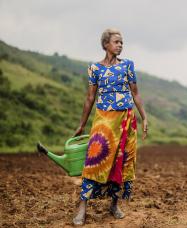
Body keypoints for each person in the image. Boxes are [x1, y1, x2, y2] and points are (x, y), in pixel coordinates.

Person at [72, 28, 148, 225]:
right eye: (116, 42)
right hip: (103, 122)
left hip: (125, 121)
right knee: (94, 161)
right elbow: (90, 98)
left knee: (122, 162)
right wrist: (81, 124)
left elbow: (136, 94)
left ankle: (114, 204)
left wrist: (144, 118)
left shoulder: (128, 66)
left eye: (122, 42)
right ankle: (82, 206)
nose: (120, 45)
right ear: (106, 44)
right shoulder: (94, 69)